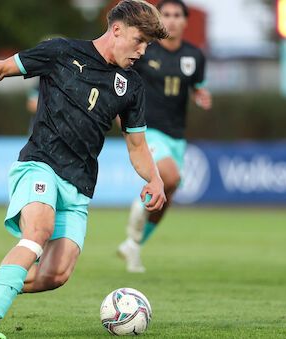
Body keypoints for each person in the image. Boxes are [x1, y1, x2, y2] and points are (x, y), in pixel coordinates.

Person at [0, 1, 167, 338]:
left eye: (148, 45)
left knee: (55, 275)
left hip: (80, 184)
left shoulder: (131, 86)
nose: (143, 51)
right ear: (117, 29)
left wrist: (155, 178)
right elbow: (0, 69)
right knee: (37, 233)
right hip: (40, 164)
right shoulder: (60, 52)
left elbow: (137, 146)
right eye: (139, 41)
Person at [117, 0, 212, 273]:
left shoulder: (195, 56)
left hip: (176, 134)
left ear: (185, 20)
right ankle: (141, 201)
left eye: (176, 15)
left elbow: (196, 87)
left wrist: (201, 95)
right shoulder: (146, 50)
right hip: (147, 127)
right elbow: (122, 78)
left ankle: (134, 244)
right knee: (170, 177)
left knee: (167, 196)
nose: (171, 20)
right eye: (166, 15)